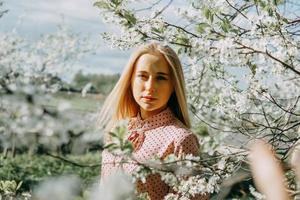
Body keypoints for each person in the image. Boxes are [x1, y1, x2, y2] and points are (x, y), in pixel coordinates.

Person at [98, 42, 208, 200]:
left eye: (161, 78)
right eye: (142, 76)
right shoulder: (118, 129)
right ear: (130, 80)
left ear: (173, 86)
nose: (150, 87)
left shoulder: (180, 140)